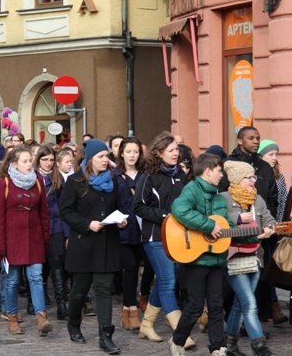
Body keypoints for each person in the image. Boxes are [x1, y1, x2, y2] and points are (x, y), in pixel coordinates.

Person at [168, 154, 269, 356]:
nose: (221, 175)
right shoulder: (192, 190)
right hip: (195, 258)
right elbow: (178, 209)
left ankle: (218, 348)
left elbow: (228, 229)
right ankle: (177, 340)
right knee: (195, 306)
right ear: (208, 170)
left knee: (216, 306)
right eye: (219, 171)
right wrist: (208, 225)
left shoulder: (217, 198)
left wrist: (256, 235)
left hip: (216, 258)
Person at [60, 139, 128, 354]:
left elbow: (120, 207)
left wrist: (122, 221)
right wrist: (87, 224)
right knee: (79, 290)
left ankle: (105, 336)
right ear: (90, 159)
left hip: (107, 244)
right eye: (101, 157)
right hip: (83, 244)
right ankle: (74, 322)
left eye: (107, 156)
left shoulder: (114, 182)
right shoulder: (75, 181)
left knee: (104, 289)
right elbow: (66, 212)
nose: (105, 160)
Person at [133, 132, 193, 347]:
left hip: (178, 237)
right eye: (171, 150)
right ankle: (181, 333)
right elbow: (138, 207)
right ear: (159, 153)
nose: (176, 153)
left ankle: (147, 324)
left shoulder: (181, 176)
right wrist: (164, 216)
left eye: (177, 149)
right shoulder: (148, 177)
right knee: (168, 281)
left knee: (164, 279)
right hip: (155, 237)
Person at [220, 161, 278, 356]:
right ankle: (259, 346)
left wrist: (271, 228)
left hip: (255, 256)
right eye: (249, 177)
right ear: (237, 179)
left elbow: (269, 219)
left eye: (254, 176)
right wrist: (238, 221)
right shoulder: (223, 199)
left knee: (240, 303)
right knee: (250, 303)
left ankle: (231, 345)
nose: (254, 180)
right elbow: (218, 224)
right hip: (232, 257)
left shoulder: (258, 200)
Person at [0, 147, 51, 336]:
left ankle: (41, 317)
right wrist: (0, 246)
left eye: (30, 161)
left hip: (34, 240)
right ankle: (12, 317)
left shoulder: (38, 181)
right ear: (14, 163)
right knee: (12, 280)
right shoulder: (4, 183)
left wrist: (45, 237)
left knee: (36, 278)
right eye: (25, 161)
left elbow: (44, 213)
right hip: (12, 242)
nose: (29, 165)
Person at [114, 137, 146, 331]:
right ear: (122, 154)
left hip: (142, 229)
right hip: (123, 230)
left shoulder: (145, 176)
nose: (132, 155)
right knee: (130, 268)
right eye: (128, 151)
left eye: (135, 151)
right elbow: (110, 203)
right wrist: (117, 220)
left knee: (138, 270)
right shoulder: (115, 176)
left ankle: (126, 310)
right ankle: (133, 309)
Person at [34, 144, 69, 320]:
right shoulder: (32, 177)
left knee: (58, 265)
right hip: (37, 227)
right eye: (45, 160)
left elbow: (64, 207)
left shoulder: (58, 178)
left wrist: (66, 233)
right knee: (38, 266)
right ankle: (34, 302)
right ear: (38, 160)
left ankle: (62, 304)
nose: (48, 163)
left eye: (51, 160)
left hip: (56, 226)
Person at [257, 139, 290, 325]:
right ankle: (271, 305)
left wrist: (278, 226)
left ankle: (273, 305)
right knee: (263, 268)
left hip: (274, 229)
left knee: (271, 268)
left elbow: (282, 202)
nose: (274, 158)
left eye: (276, 154)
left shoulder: (279, 177)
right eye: (270, 154)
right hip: (258, 228)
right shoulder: (256, 174)